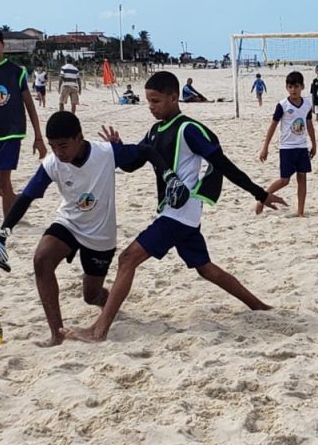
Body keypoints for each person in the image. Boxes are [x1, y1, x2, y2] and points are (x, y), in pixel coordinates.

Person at [61, 71, 285, 343]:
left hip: (180, 212)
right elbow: (133, 163)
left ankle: (99, 330)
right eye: (148, 101)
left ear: (173, 97)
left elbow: (224, 165)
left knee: (128, 258)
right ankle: (258, 306)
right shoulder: (155, 131)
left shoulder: (188, 129)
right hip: (179, 215)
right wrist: (117, 147)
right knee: (204, 267)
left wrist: (259, 193)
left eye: (155, 101)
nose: (151, 107)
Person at [0, 111, 189, 346]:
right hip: (69, 223)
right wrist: (3, 233)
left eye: (63, 146)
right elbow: (26, 198)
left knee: (90, 295)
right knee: (42, 259)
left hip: (100, 234)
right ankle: (56, 335)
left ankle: (107, 303)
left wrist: (169, 175)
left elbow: (145, 152)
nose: (58, 153)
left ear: (79, 138)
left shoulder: (105, 153)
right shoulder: (53, 164)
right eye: (53, 146)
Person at [0, 26, 47, 216]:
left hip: (12, 132)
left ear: (3, 46)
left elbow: (30, 105)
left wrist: (38, 137)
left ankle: (7, 225)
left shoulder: (15, 72)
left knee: (3, 180)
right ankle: (18, 201)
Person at [257, 71, 317, 217]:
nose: (293, 90)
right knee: (285, 180)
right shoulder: (282, 105)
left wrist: (314, 144)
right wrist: (265, 148)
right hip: (287, 148)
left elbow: (309, 125)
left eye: (296, 86)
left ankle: (300, 212)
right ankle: (262, 198)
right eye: (290, 87)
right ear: (286, 88)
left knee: (302, 179)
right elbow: (272, 126)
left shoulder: (307, 104)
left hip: (302, 147)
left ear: (302, 86)